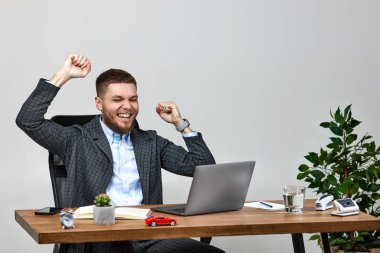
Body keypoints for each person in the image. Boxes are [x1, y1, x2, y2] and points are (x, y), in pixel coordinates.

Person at [16, 54, 224, 253]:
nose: (128, 106)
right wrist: (63, 75)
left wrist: (181, 124)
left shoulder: (150, 142)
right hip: (99, 238)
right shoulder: (76, 140)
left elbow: (203, 167)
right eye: (117, 99)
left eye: (133, 99)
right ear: (99, 103)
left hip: (146, 236)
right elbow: (28, 120)